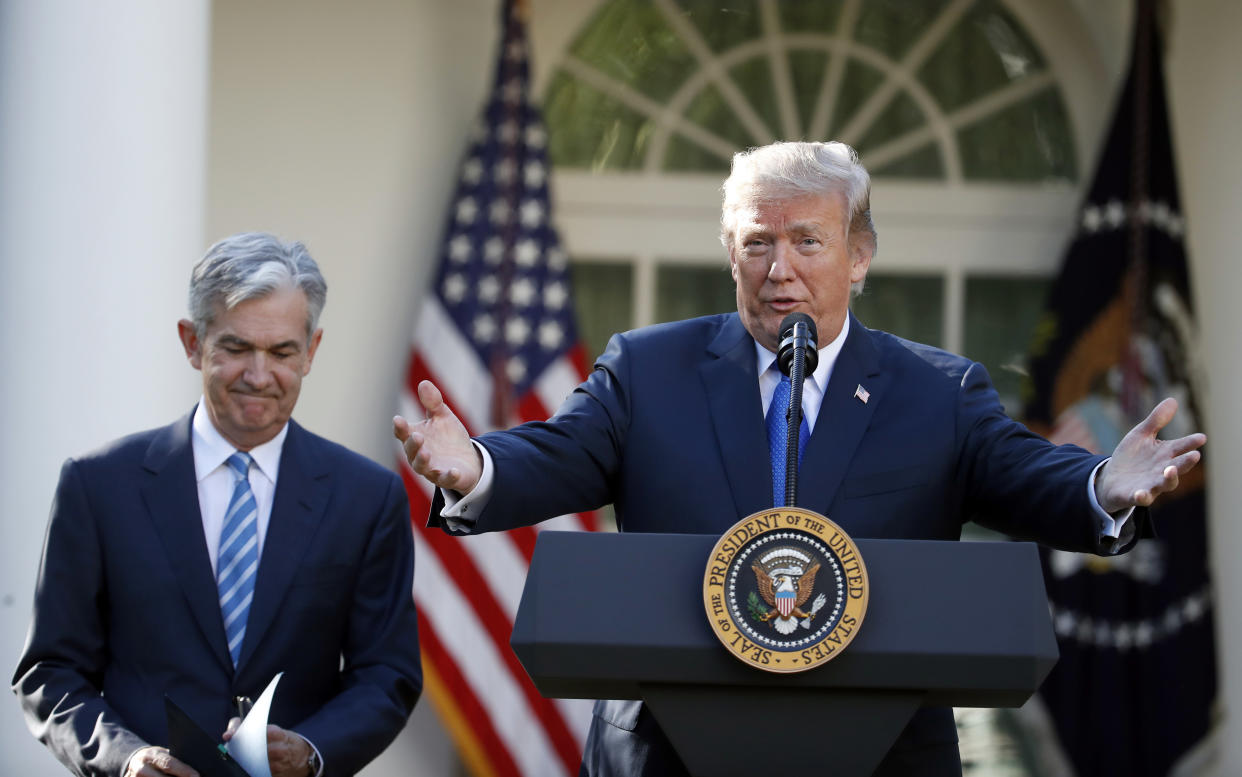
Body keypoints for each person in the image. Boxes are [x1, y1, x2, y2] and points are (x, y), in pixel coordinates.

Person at [393, 142, 1204, 777]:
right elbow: (557, 453)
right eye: (757, 243)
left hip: (880, 752)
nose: (779, 270)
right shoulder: (648, 370)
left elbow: (1026, 476)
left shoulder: (936, 389)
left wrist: (1104, 484)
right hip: (666, 751)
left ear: (859, 255)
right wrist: (476, 467)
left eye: (806, 241)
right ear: (730, 253)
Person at [14, 233, 421, 777]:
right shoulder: (98, 486)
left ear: (312, 352)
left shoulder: (367, 497)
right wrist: (126, 759)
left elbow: (386, 674)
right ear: (191, 342)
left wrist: (312, 750)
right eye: (235, 348)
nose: (258, 376)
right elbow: (51, 670)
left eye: (281, 352)